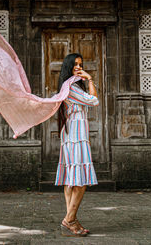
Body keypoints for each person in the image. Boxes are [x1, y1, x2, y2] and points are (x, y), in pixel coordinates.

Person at [55, 53, 99, 237]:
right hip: (75, 136)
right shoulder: (72, 87)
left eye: (81, 65)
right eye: (75, 65)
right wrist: (90, 79)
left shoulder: (68, 86)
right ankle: (69, 219)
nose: (79, 68)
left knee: (71, 181)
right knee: (79, 182)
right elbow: (93, 100)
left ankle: (71, 220)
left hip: (70, 134)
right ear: (68, 67)